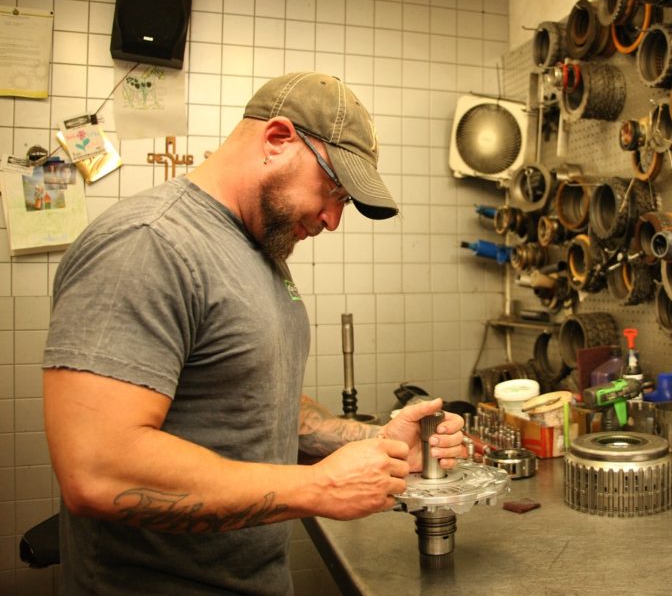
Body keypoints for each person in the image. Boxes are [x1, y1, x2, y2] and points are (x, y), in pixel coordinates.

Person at [41, 72, 467, 595]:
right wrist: (317, 487)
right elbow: (98, 471)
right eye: (333, 189)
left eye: (346, 203)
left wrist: (378, 439)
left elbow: (253, 403)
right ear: (277, 139)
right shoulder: (148, 244)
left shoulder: (259, 249)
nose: (333, 219)